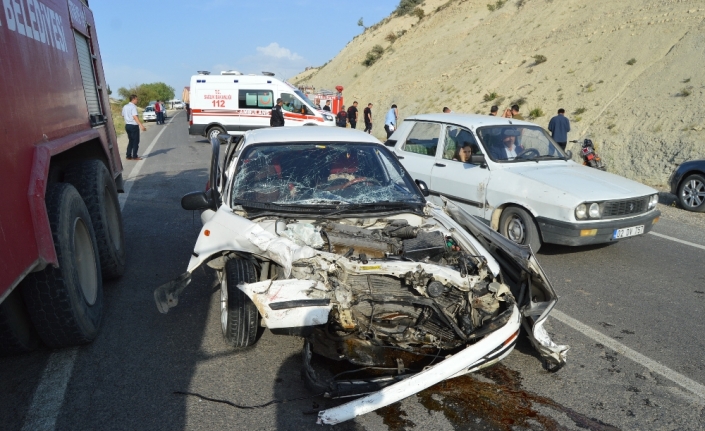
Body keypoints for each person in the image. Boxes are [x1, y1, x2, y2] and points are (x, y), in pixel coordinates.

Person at [121, 95, 146, 160]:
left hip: (127, 125)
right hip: (133, 126)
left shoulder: (125, 106)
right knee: (135, 141)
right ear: (133, 99)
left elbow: (123, 115)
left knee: (131, 141)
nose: (137, 101)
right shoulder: (133, 107)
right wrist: (141, 125)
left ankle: (128, 155)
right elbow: (135, 116)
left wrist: (128, 118)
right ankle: (135, 156)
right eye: (136, 99)